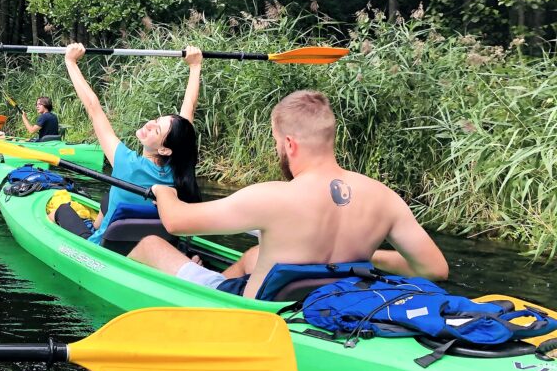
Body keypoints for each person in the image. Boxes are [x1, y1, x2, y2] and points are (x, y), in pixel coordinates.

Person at [128, 90, 449, 298]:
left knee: (150, 245)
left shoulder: (272, 197)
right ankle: (215, 282)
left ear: (290, 144)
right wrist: (367, 255)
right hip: (321, 307)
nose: (277, 149)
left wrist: (164, 192)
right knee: (254, 256)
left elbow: (177, 222)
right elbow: (434, 269)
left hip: (256, 314)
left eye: (276, 142)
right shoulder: (384, 197)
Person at [51, 42, 203, 244]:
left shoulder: (126, 163)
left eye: (156, 129)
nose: (149, 124)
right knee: (109, 197)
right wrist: (195, 66)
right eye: (156, 120)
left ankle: (82, 235)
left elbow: (93, 107)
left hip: (104, 247)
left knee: (60, 210)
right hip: (144, 244)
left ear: (165, 149)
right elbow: (188, 110)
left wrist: (70, 62)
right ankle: (96, 224)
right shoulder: (180, 171)